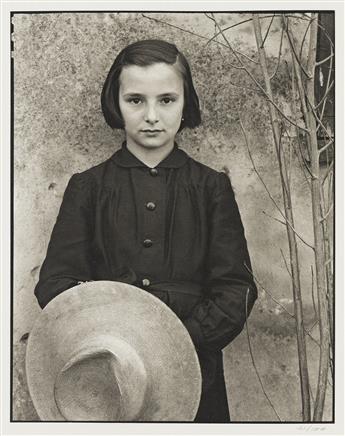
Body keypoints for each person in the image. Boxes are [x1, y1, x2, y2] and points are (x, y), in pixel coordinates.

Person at [34, 39, 257, 423]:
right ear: (115, 103)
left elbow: (237, 289)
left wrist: (174, 343)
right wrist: (111, 331)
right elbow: (55, 283)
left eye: (167, 100)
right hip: (110, 378)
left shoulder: (210, 188)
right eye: (136, 100)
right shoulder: (88, 187)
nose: (152, 115)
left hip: (194, 370)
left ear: (186, 103)